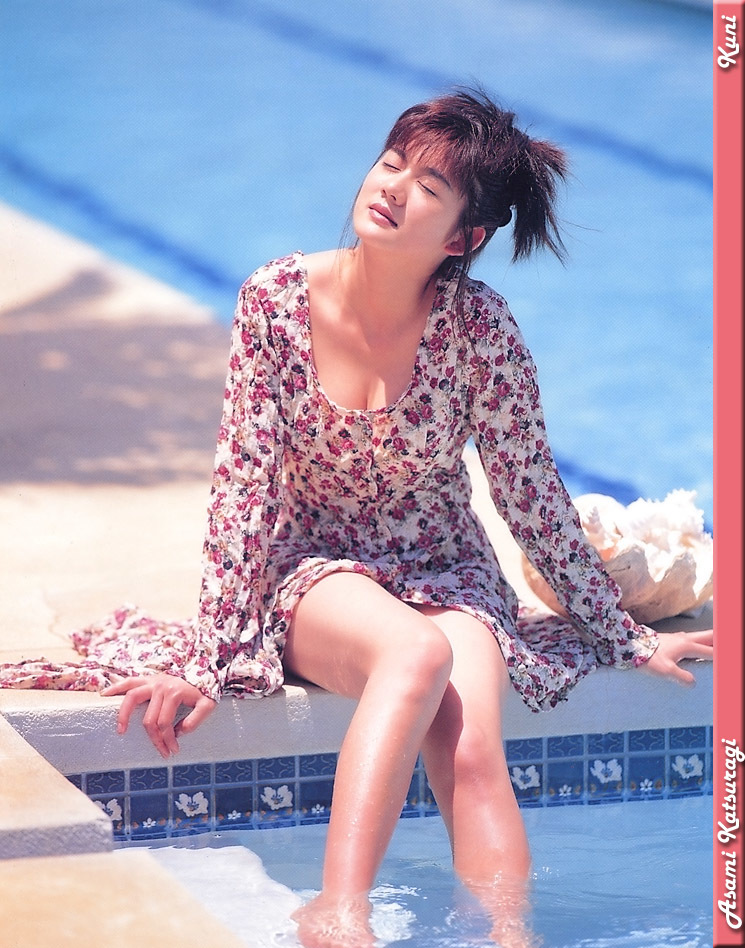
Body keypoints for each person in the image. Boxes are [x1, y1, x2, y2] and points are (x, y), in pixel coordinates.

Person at [97, 89, 711, 947]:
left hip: (447, 565)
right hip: (313, 564)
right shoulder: (276, 299)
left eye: (428, 186)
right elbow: (244, 490)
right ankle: (337, 910)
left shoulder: (480, 329)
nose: (391, 186)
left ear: (463, 237)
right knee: (413, 652)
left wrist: (623, 635)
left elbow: (528, 491)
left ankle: (508, 936)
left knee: (470, 747)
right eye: (391, 163)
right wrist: (213, 657)